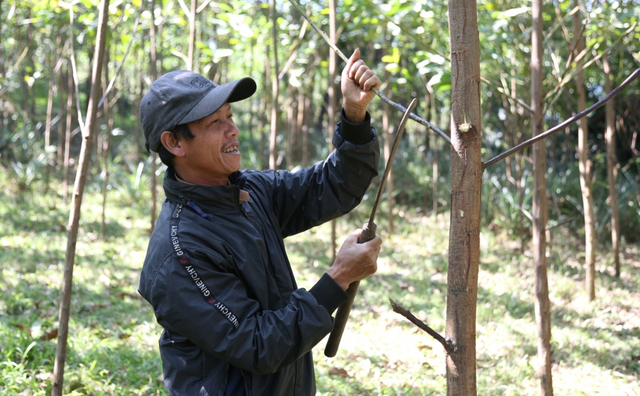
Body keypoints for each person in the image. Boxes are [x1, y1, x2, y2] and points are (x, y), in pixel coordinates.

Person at [138, 48, 382, 396]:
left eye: (230, 116)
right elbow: (257, 345)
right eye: (215, 124)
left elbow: (332, 185)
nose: (232, 131)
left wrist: (354, 116)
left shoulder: (250, 192)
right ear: (174, 142)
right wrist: (338, 278)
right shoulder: (179, 252)